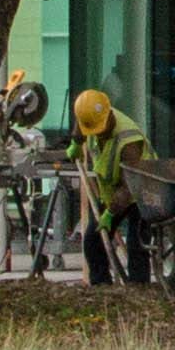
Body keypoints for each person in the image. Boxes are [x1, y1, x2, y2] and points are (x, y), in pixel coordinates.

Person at [62, 83, 147, 285]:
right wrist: (76, 142)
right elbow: (82, 122)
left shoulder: (129, 140)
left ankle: (139, 287)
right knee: (93, 239)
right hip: (111, 192)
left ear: (108, 114)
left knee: (138, 242)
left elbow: (130, 187)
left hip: (141, 190)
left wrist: (110, 213)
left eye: (99, 129)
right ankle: (101, 286)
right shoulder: (93, 114)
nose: (97, 133)